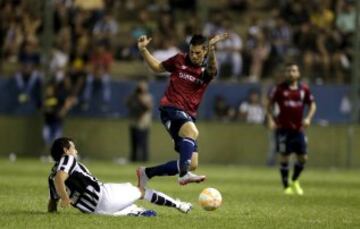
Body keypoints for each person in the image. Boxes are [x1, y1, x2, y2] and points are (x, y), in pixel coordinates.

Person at [136, 33, 229, 187]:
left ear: (205, 51)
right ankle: (183, 175)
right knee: (192, 132)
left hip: (188, 114)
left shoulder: (206, 69)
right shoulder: (179, 59)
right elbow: (158, 67)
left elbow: (212, 69)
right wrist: (143, 50)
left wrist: (212, 49)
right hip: (171, 107)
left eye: (198, 52)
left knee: (192, 163)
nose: (193, 55)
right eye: (192, 51)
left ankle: (146, 173)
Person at [47, 137, 192, 216]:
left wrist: (54, 213)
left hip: (94, 212)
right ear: (66, 150)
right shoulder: (67, 159)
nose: (76, 151)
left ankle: (135, 212)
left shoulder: (50, 176)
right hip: (103, 197)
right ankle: (180, 205)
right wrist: (66, 199)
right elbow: (60, 178)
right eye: (73, 148)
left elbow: (52, 203)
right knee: (141, 191)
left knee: (132, 206)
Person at [266, 63, 317, 195]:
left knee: (303, 158)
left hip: (298, 129)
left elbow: (312, 105)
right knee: (285, 157)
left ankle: (294, 180)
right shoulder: (278, 89)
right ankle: (286, 186)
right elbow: (268, 104)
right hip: (283, 129)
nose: (291, 73)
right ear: (285, 74)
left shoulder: (303, 89)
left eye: (294, 71)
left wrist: (308, 118)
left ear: (298, 73)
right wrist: (271, 119)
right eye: (288, 71)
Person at [126, 81, 153, 162]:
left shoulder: (148, 97)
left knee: (143, 143)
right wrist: (135, 96)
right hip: (134, 123)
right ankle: (133, 159)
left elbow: (148, 107)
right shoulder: (133, 97)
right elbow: (127, 103)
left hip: (143, 124)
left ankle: (144, 159)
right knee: (134, 143)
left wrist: (140, 99)